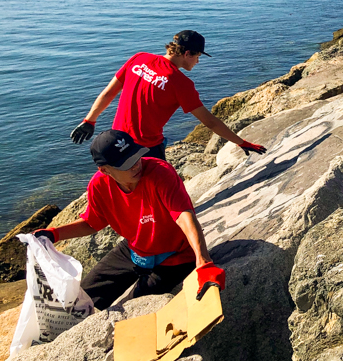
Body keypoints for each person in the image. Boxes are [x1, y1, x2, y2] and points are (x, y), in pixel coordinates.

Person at [34, 129, 224, 309]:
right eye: (126, 163)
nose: (135, 164)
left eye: (135, 156)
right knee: (81, 299)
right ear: (105, 170)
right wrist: (53, 234)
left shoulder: (160, 173)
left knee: (134, 308)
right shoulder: (99, 186)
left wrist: (204, 262)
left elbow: (183, 215)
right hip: (135, 249)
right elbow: (92, 223)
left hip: (175, 256)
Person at [69, 30, 266, 160]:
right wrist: (242, 142)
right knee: (165, 193)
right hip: (145, 148)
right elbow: (210, 122)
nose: (197, 62)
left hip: (117, 140)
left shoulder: (139, 59)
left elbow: (109, 92)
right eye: (198, 57)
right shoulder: (180, 83)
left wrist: (89, 121)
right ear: (187, 53)